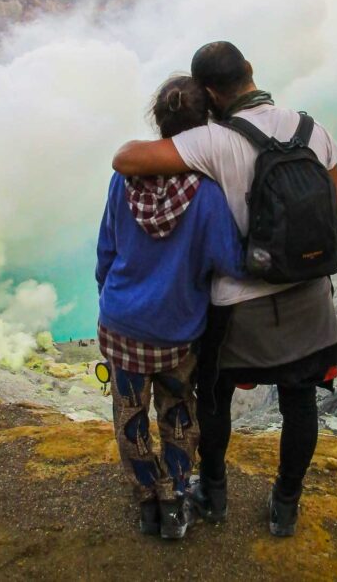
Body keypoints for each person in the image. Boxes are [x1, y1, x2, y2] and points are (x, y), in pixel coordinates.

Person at [112, 41, 337, 537]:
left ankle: (213, 493)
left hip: (239, 308)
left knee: (213, 400)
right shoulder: (313, 129)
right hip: (309, 299)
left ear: (210, 93)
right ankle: (285, 505)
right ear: (251, 71)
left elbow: (127, 160)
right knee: (299, 404)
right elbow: (334, 211)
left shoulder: (213, 141)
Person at [96, 75, 244, 540]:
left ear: (159, 121)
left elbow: (107, 252)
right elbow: (229, 262)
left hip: (121, 324)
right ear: (203, 123)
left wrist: (112, 298)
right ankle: (176, 501)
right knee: (179, 414)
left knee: (130, 415)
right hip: (177, 332)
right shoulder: (208, 195)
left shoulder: (123, 182)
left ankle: (147, 502)